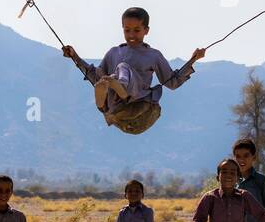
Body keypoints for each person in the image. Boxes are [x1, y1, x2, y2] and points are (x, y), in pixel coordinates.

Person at [61, 7, 206, 134]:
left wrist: (193, 59)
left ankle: (115, 92)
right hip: (116, 106)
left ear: (146, 30)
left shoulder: (153, 55)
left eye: (137, 30)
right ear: (122, 28)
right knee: (104, 80)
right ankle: (103, 102)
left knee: (121, 68)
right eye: (127, 30)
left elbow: (172, 82)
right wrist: (75, 56)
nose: (131, 35)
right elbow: (96, 76)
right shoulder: (113, 52)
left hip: (136, 103)